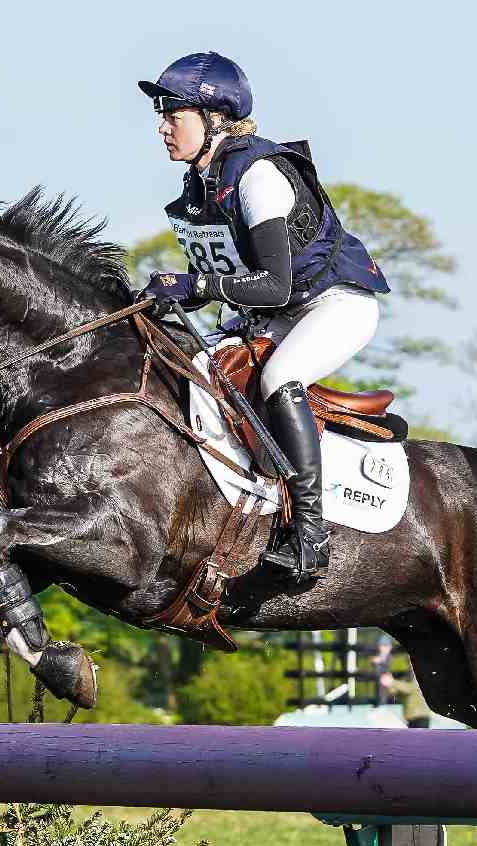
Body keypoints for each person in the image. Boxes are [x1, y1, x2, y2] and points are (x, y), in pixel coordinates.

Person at [137, 51, 390, 584]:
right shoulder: (200, 188)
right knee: (197, 368)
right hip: (279, 311)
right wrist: (171, 292)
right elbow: (218, 281)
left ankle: (310, 535)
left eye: (172, 114)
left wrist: (199, 285)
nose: (162, 127)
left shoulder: (257, 175)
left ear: (214, 119)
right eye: (161, 114)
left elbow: (273, 284)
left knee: (279, 377)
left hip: (334, 303)